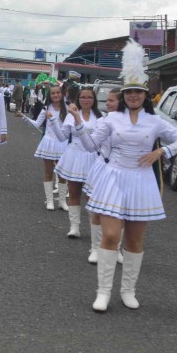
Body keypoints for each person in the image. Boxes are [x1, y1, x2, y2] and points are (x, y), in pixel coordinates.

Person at [77, 41, 177, 312]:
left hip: (141, 181)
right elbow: (90, 145)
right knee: (110, 236)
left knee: (134, 240)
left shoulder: (156, 122)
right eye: (129, 93)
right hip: (114, 178)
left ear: (145, 95)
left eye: (138, 92)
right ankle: (103, 292)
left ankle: (128, 290)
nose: (133, 96)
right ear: (124, 95)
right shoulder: (111, 119)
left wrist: (162, 150)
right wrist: (81, 129)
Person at [55, 86, 102, 238]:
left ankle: (93, 227)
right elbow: (62, 137)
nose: (86, 100)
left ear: (94, 100)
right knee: (74, 192)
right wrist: (52, 122)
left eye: (89, 97)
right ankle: (74, 227)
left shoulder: (101, 117)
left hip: (93, 158)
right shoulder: (71, 115)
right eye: (83, 97)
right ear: (78, 99)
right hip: (74, 156)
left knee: (91, 196)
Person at [84, 91, 120, 264]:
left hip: (122, 171)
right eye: (107, 101)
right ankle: (95, 248)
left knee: (121, 211)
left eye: (112, 101)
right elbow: (92, 145)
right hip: (102, 167)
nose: (108, 103)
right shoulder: (101, 121)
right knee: (97, 209)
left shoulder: (133, 124)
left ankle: (117, 248)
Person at [32, 84, 70, 210]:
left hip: (63, 143)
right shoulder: (46, 108)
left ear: (62, 93)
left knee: (63, 174)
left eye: (58, 92)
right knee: (48, 171)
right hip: (48, 143)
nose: (55, 95)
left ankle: (62, 201)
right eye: (53, 93)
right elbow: (37, 123)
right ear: (50, 95)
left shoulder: (68, 108)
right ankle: (49, 201)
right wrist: (24, 118)